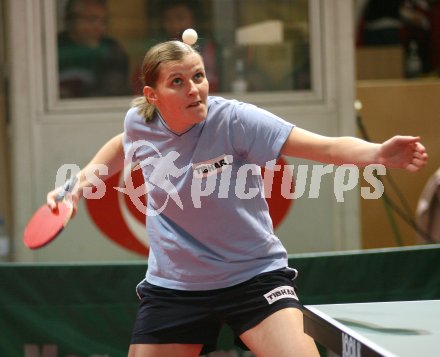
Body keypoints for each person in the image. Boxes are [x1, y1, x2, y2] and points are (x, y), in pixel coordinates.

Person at [47, 39, 428, 356]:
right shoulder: (140, 123)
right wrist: (79, 184)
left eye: (198, 76)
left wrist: (378, 153)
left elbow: (324, 148)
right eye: (177, 82)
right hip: (175, 284)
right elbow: (122, 144)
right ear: (153, 95)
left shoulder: (236, 121)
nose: (194, 88)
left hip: (252, 276)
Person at [58, 0, 130, 98]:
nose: (100, 27)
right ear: (71, 20)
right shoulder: (54, 47)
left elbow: (114, 92)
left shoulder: (112, 50)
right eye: (92, 19)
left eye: (104, 21)